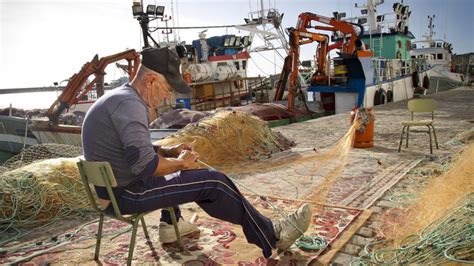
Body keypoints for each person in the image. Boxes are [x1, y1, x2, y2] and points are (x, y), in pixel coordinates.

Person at [81, 47, 312, 258]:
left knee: (181, 171)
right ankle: (273, 236)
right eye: (168, 90)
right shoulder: (131, 105)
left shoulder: (119, 97)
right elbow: (145, 166)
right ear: (151, 80)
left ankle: (171, 224)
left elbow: (131, 152)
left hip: (112, 192)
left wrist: (168, 151)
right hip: (126, 195)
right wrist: (180, 163)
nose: (168, 98)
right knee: (214, 181)